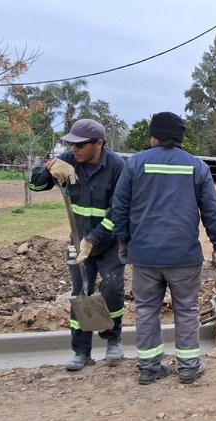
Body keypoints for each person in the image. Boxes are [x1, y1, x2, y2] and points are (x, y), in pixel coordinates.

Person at [110, 112, 216, 385]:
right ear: (180, 137)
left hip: (145, 254)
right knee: (186, 311)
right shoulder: (196, 167)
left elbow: (120, 208)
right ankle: (188, 367)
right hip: (184, 255)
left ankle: (149, 367)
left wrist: (123, 241)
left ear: (154, 136)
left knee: (146, 310)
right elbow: (211, 210)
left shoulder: (135, 164)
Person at [29, 118, 127, 371]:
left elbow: (119, 213)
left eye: (80, 145)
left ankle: (112, 338)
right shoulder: (69, 159)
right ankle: (81, 351)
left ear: (98, 144)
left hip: (109, 242)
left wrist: (93, 239)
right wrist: (49, 168)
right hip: (77, 239)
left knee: (113, 290)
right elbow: (34, 185)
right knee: (82, 293)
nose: (74, 149)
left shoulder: (118, 167)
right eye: (71, 144)